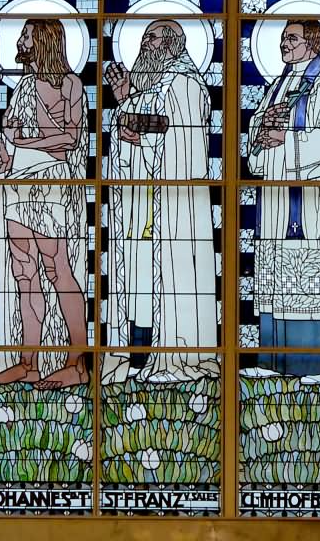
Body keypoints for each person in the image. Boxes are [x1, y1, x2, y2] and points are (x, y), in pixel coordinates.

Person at [100, 19, 218, 383]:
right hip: (144, 203)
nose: (144, 45)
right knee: (140, 280)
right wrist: (125, 103)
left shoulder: (185, 82)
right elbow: (138, 125)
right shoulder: (153, 85)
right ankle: (138, 354)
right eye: (143, 38)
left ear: (170, 44)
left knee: (172, 277)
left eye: (150, 37)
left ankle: (177, 353)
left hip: (174, 203)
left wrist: (139, 133)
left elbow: (182, 137)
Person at [0, 18, 89, 389]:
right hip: (18, 187)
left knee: (58, 270)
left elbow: (70, 139)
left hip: (50, 185)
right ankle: (29, 362)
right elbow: (10, 140)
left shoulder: (71, 85)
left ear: (43, 40)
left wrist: (24, 143)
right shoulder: (24, 86)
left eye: (26, 35)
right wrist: (0, 157)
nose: (21, 41)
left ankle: (77, 362)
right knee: (24, 274)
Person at [246, 18, 320, 375]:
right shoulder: (278, 86)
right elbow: (256, 138)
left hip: (310, 205)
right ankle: (274, 360)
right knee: (277, 276)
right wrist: (262, 136)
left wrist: (287, 141)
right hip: (276, 201)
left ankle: (318, 362)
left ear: (313, 45)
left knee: (311, 278)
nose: (283, 44)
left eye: (291, 38)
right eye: (282, 38)